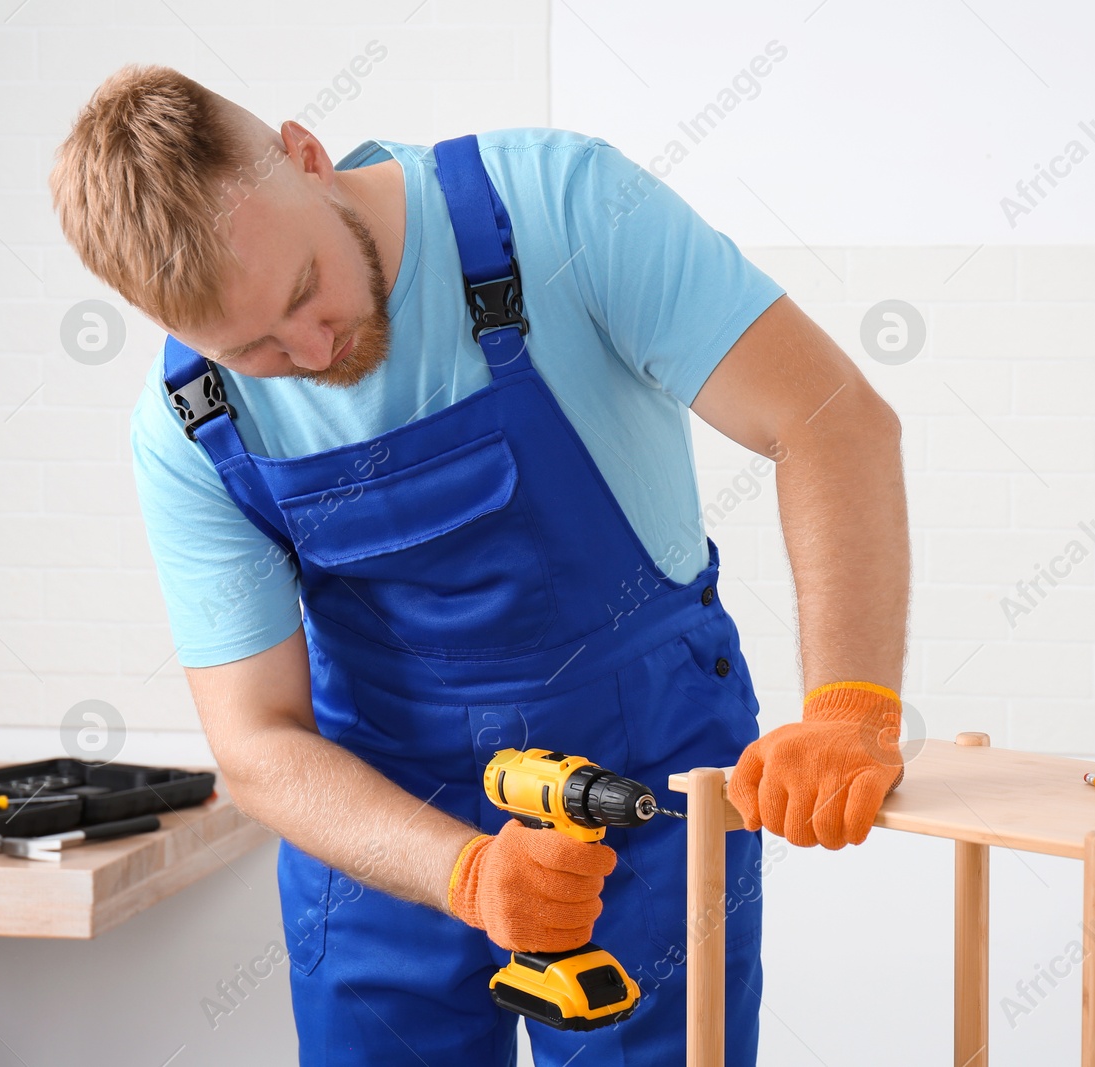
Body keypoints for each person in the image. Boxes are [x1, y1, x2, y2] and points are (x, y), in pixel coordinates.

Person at [49, 64, 910, 1066]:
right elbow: (256, 742)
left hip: (643, 765)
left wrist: (848, 705)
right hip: (384, 819)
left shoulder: (558, 206)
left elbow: (828, 420)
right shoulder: (187, 428)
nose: (314, 347)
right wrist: (463, 873)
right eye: (258, 349)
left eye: (305, 290)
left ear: (307, 157)